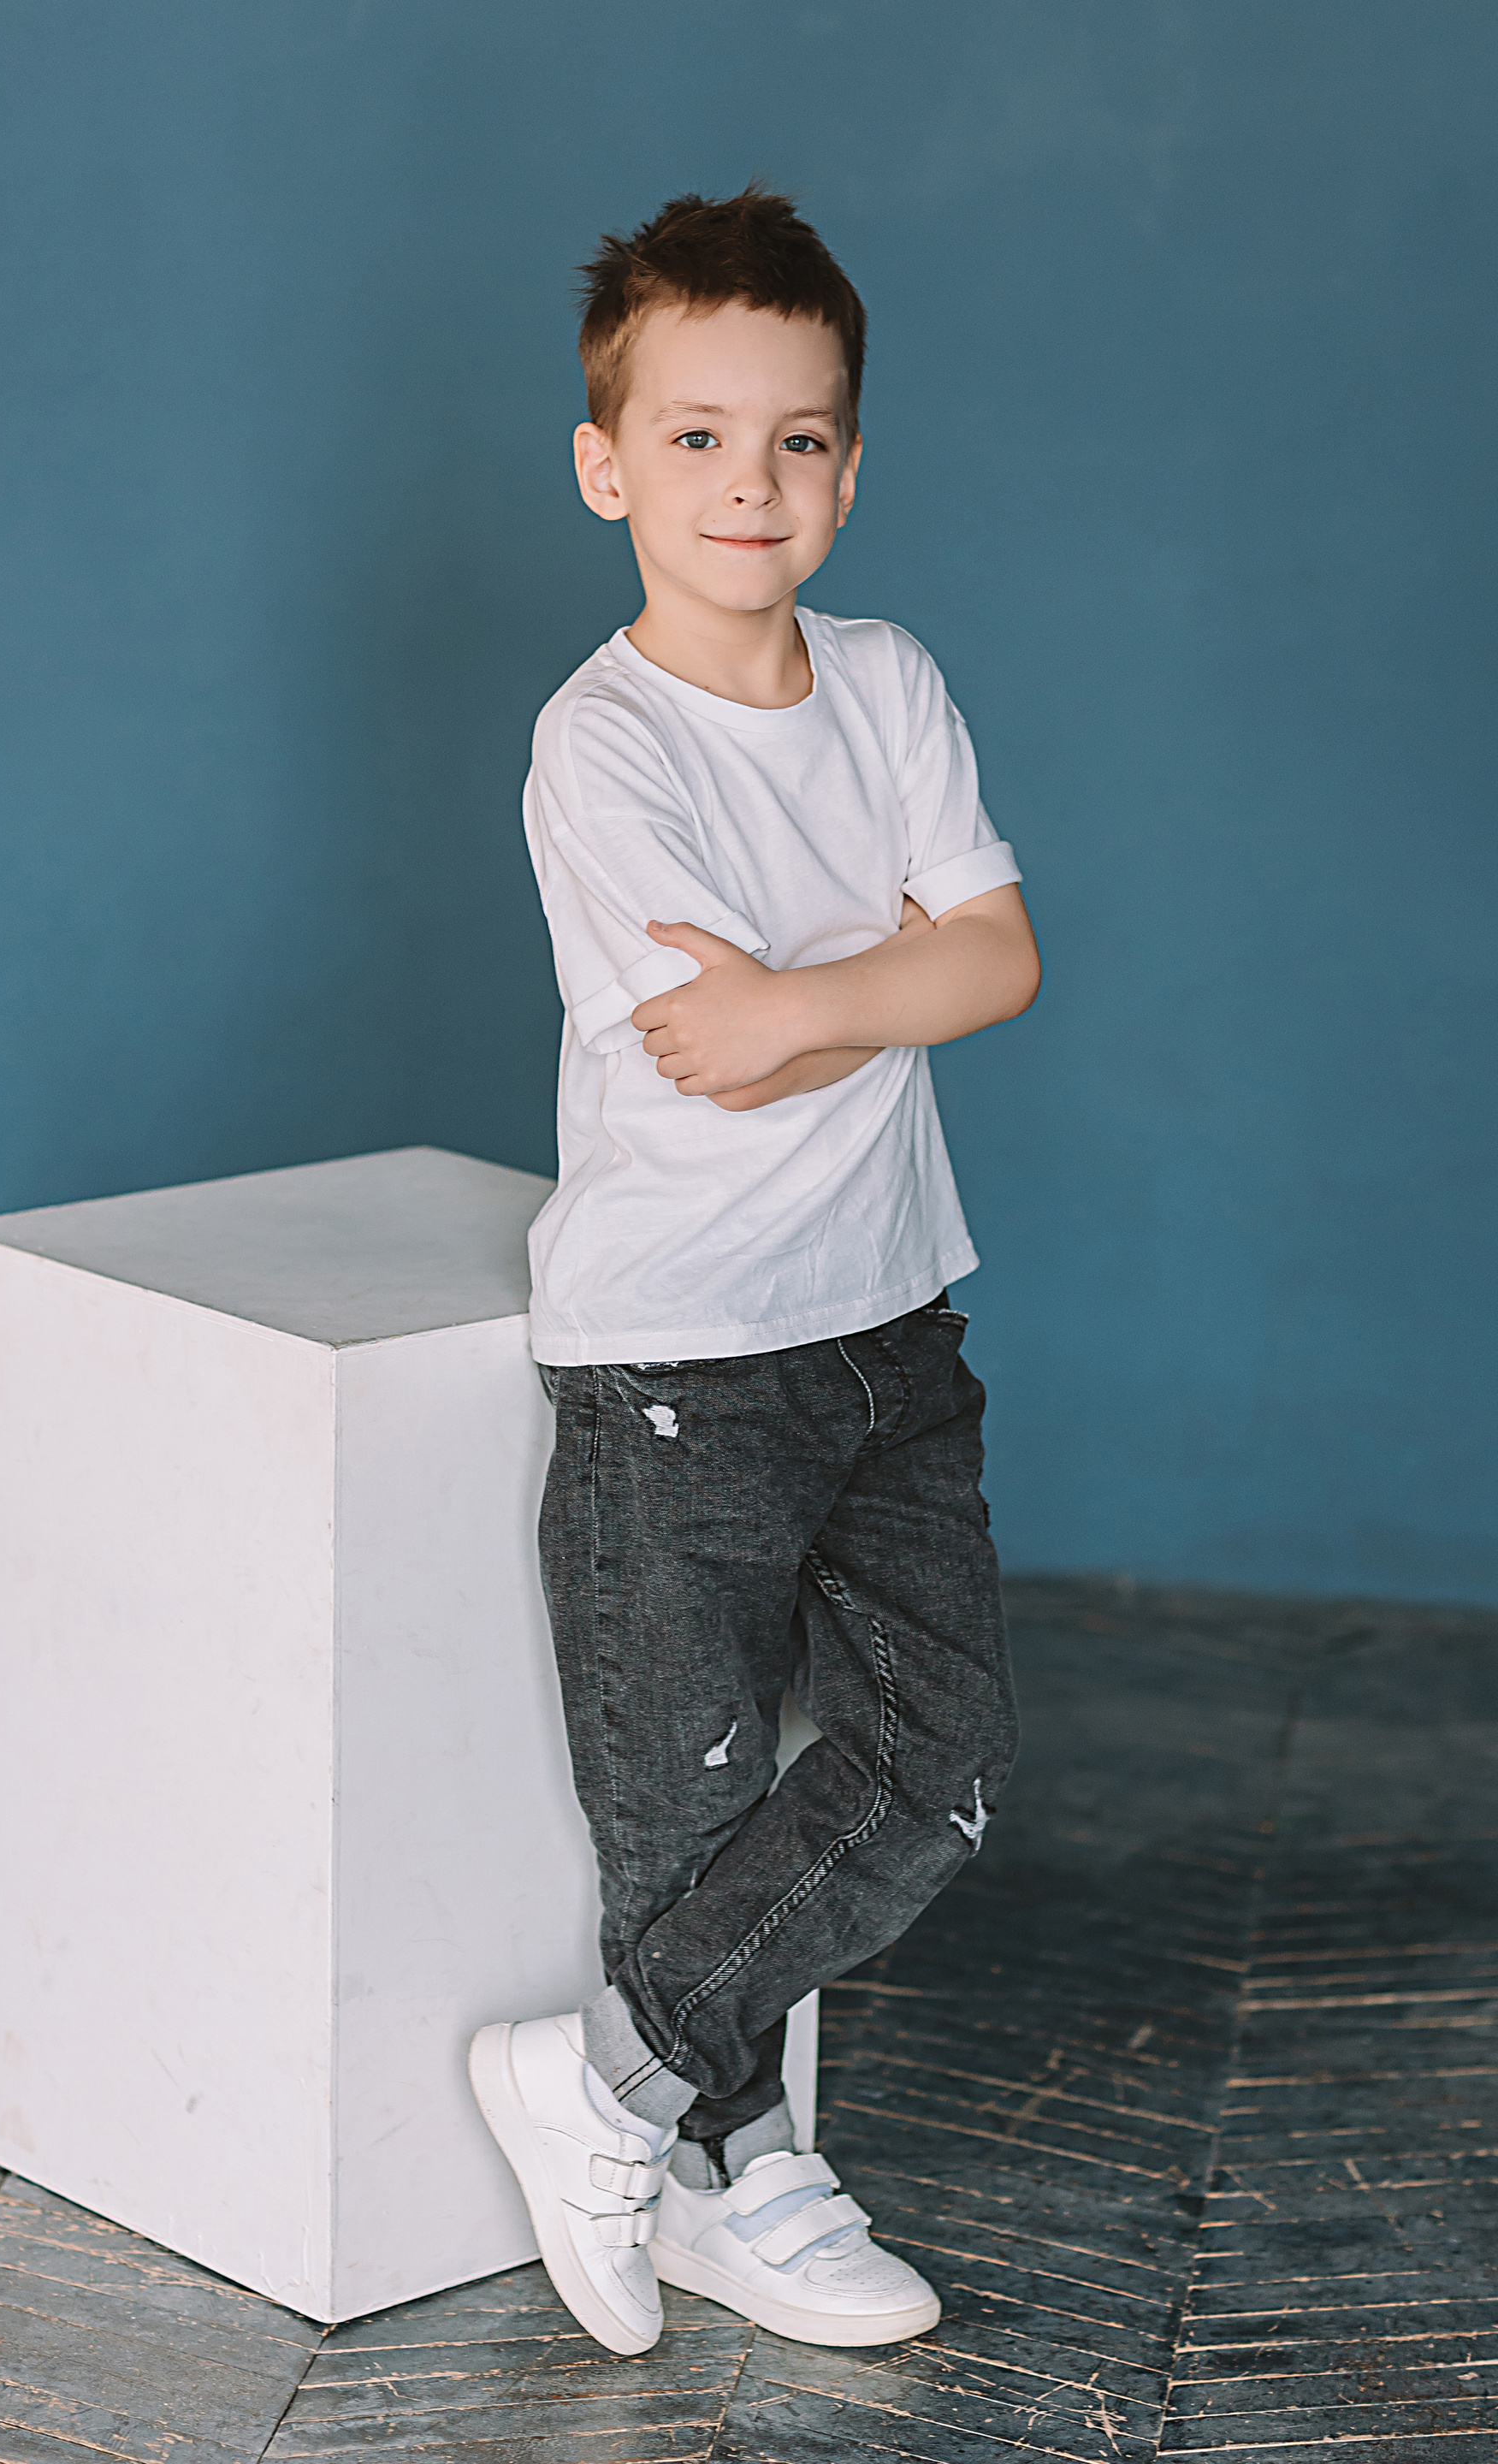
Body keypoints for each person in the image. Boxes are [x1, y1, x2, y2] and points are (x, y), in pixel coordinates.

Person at [469, 184, 1040, 2356]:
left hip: (892, 1320)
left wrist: (815, 996)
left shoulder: (889, 682)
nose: (750, 482)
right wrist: (881, 974)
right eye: (696, 437)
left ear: (851, 468)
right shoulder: (602, 740)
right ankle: (735, 2168)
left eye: (798, 440)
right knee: (684, 1806)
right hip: (680, 1360)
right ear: (605, 466)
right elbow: (710, 1055)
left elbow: (998, 961)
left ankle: (603, 2084)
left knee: (938, 1759)